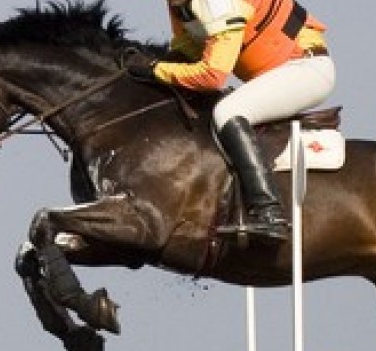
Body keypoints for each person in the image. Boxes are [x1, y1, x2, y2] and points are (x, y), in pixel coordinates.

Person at [133, 0, 336, 241]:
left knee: (227, 112)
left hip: (306, 69)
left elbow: (212, 76)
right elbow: (186, 50)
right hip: (279, 72)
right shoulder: (178, 3)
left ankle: (269, 214)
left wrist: (156, 70)